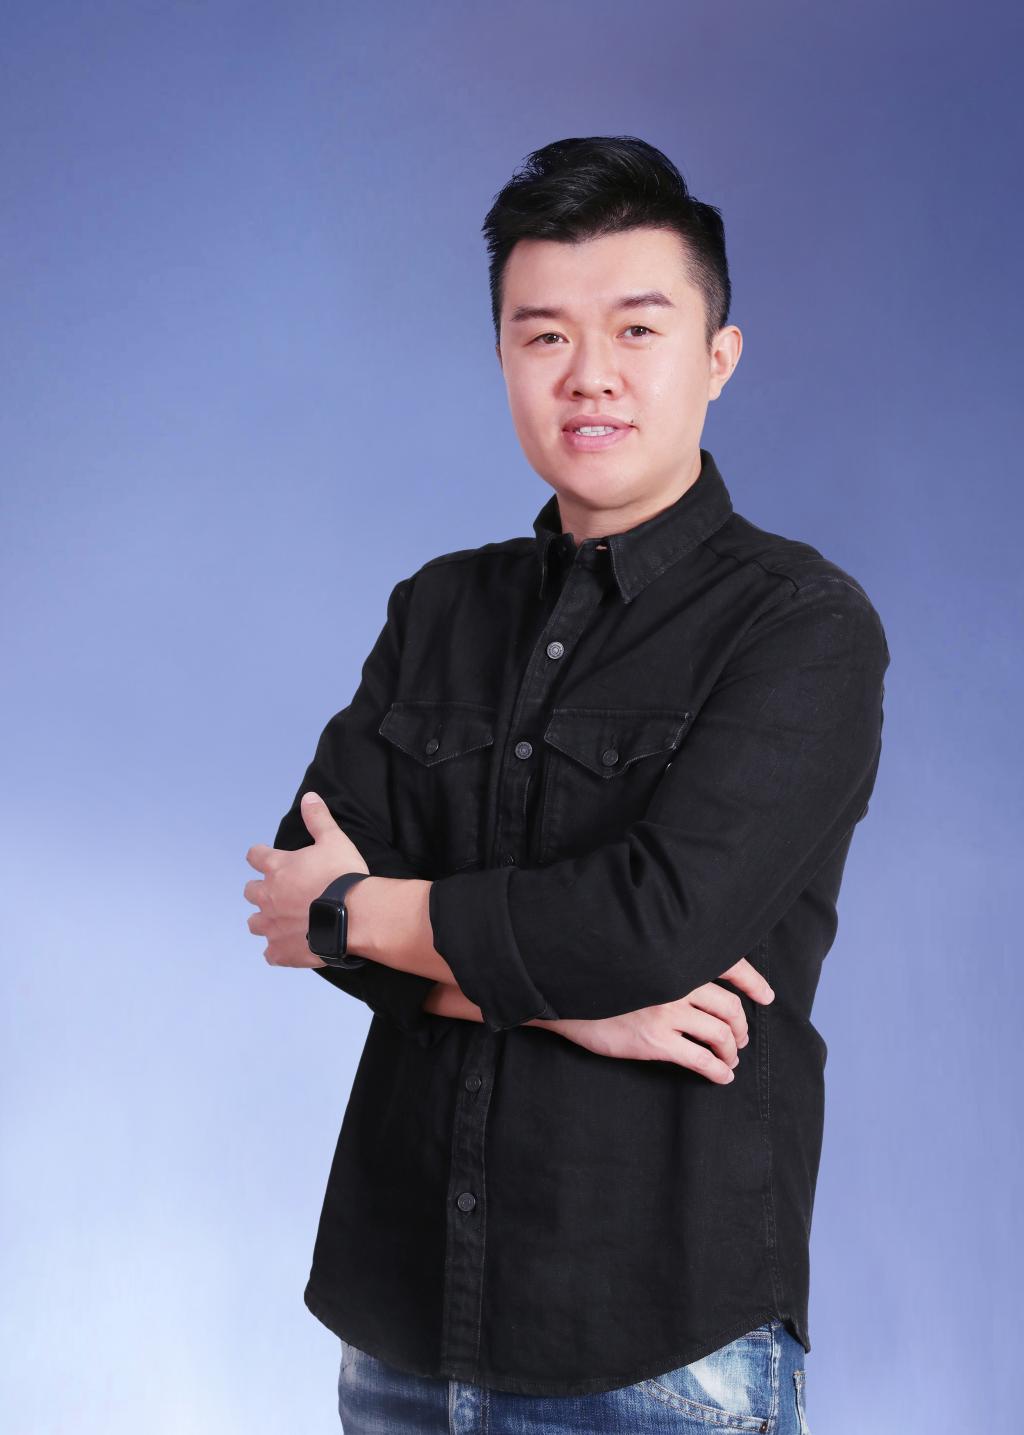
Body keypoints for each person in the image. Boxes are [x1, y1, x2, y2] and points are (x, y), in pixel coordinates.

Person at [243, 135, 888, 1434]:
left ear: (718, 357)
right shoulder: (439, 608)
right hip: (400, 1329)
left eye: (637, 329)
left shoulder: (802, 626)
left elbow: (650, 929)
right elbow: (295, 899)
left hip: (657, 1347)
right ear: (502, 358)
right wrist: (573, 1010)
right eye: (543, 335)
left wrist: (374, 916)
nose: (588, 373)